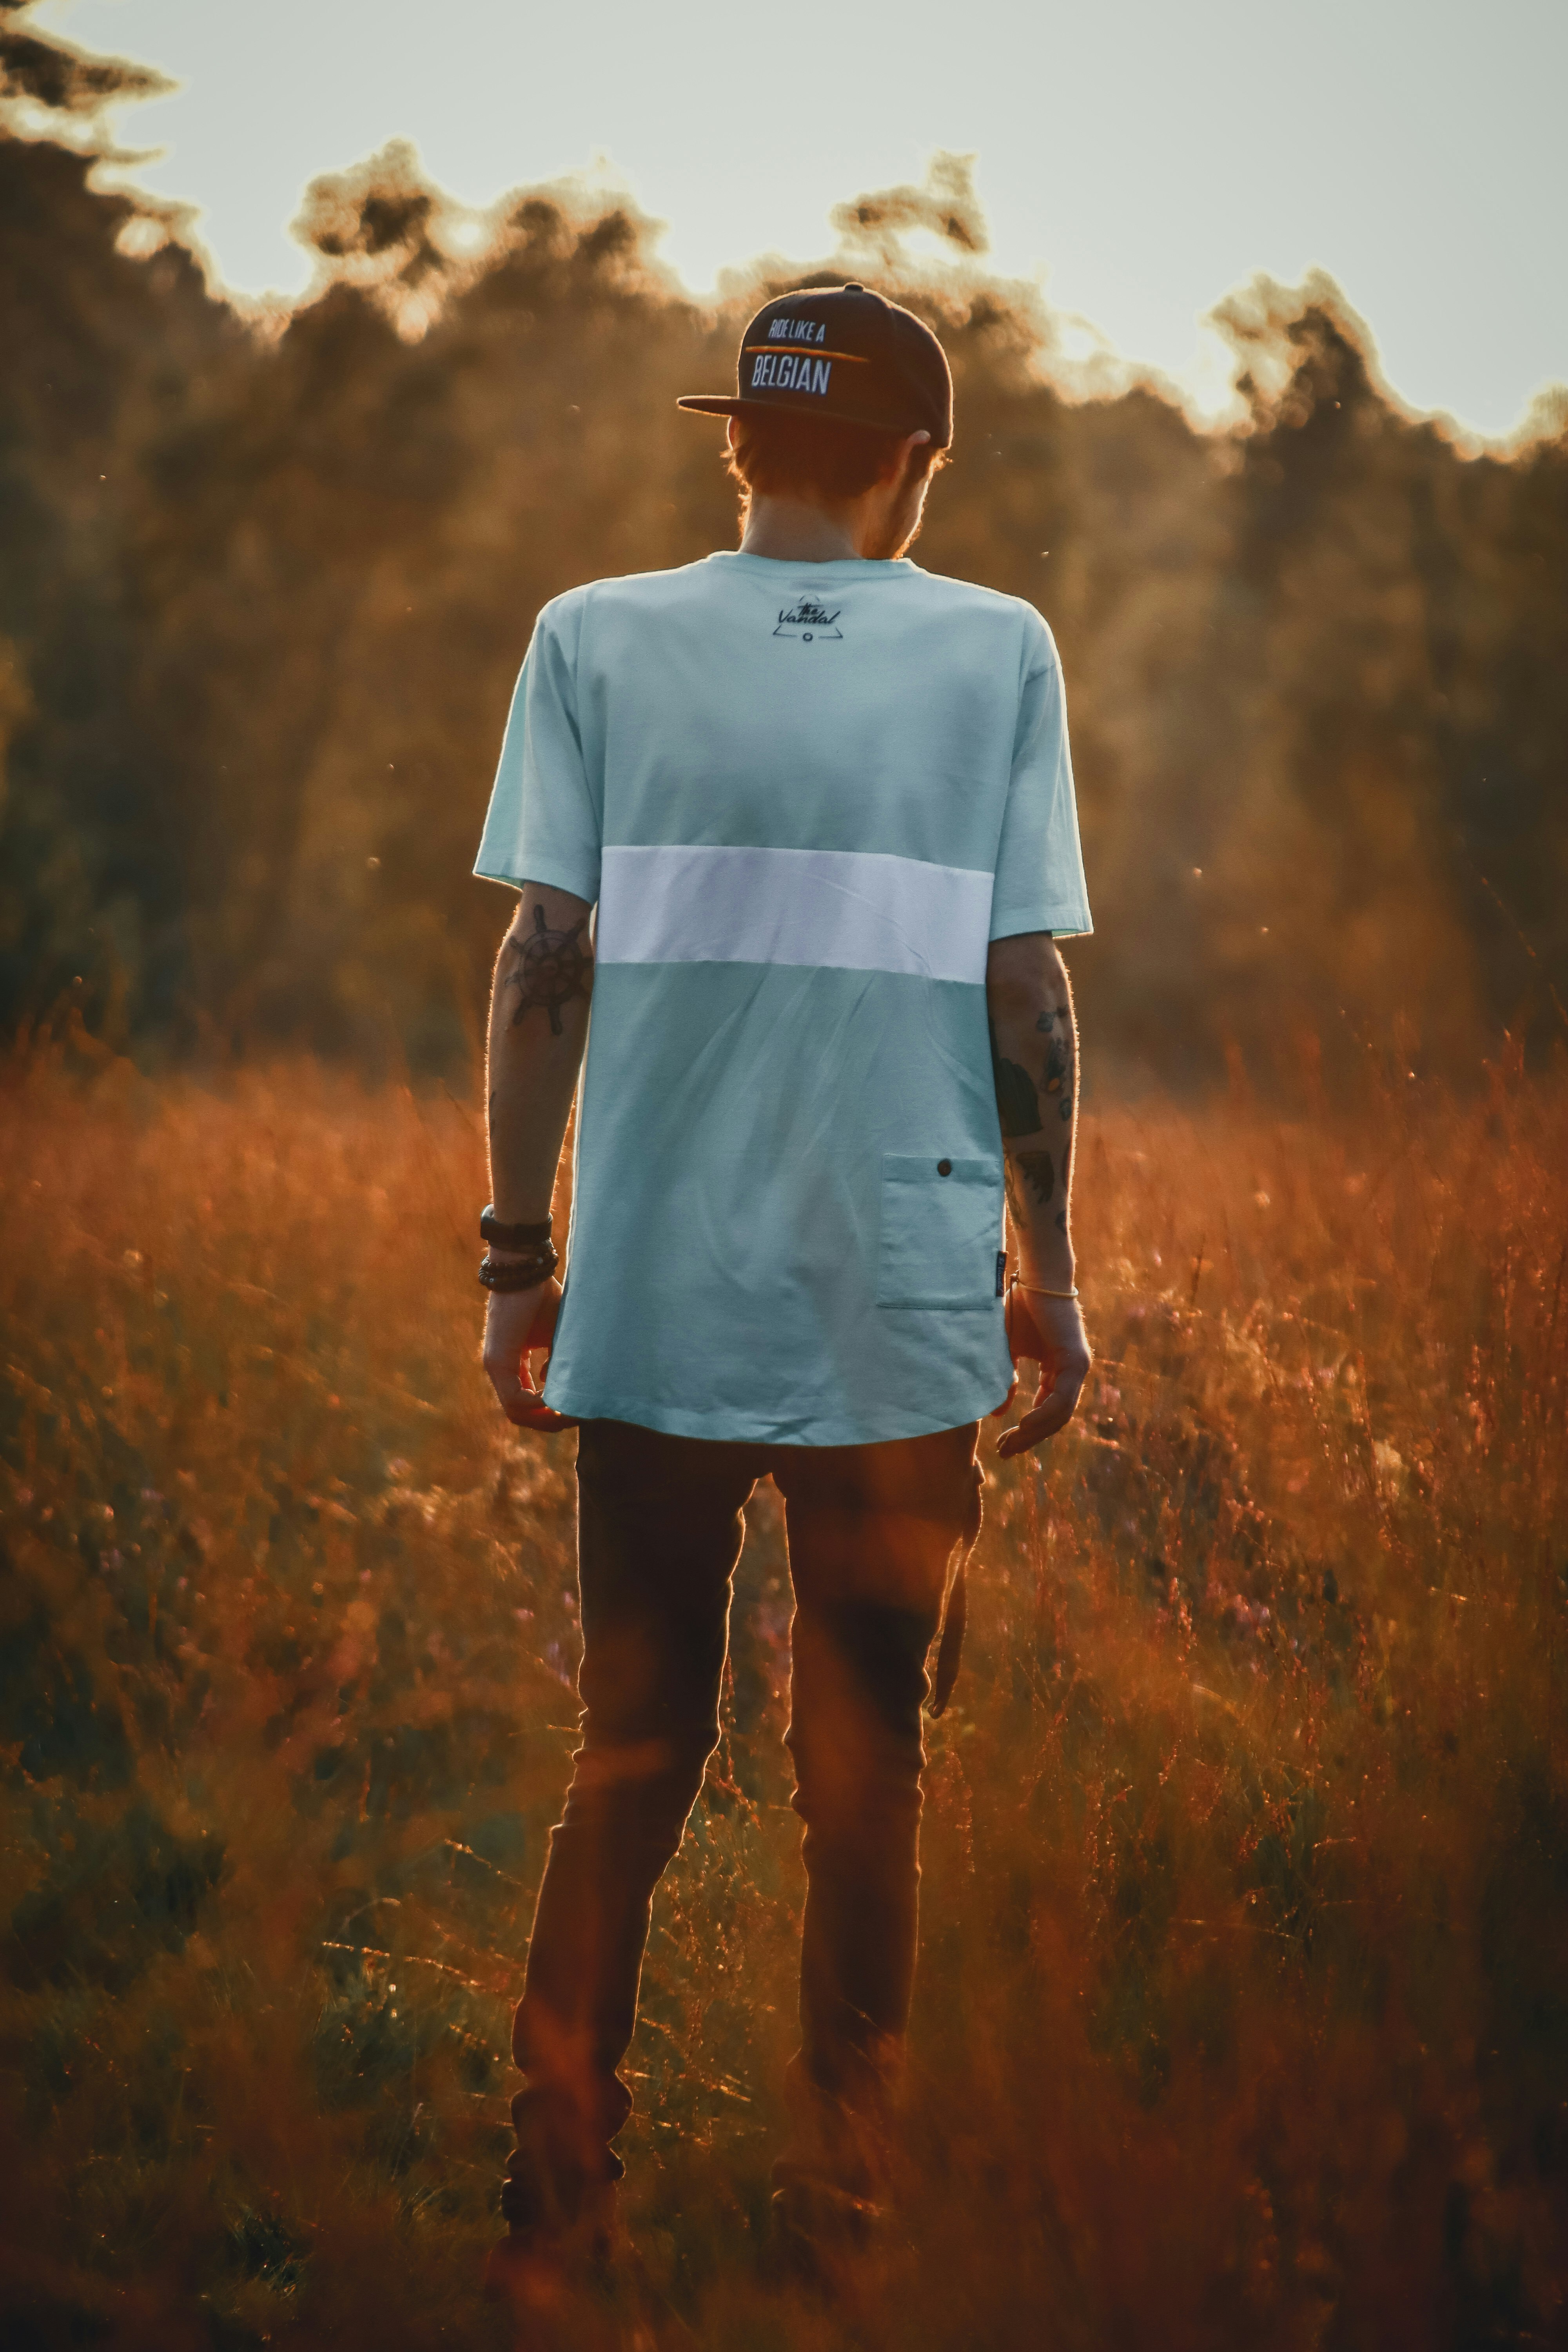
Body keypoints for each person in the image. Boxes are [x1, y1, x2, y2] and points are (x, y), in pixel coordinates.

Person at [472, 282, 1093, 2302]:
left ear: (739, 443)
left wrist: (515, 1263)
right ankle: (853, 2215)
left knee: (626, 1757)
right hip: (906, 1293)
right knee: (870, 1783)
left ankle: (557, 2207)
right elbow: (1026, 992)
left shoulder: (590, 637)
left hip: (648, 1291)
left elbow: (536, 964)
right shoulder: (998, 650)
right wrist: (1054, 1277)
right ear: (913, 463)